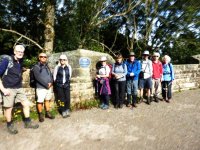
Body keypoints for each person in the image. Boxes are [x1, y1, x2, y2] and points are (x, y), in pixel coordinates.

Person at [0, 45, 39, 134]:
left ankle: (27, 122)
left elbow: (16, 71)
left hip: (19, 87)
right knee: (9, 108)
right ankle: (9, 125)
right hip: (9, 88)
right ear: (14, 52)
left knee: (25, 104)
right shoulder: (7, 60)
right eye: (18, 51)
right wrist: (3, 90)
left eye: (22, 52)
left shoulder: (20, 61)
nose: (20, 53)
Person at [32, 53, 55, 122]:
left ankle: (47, 113)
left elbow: (51, 75)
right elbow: (37, 78)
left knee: (47, 100)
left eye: (45, 57)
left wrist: (51, 83)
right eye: (41, 57)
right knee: (40, 101)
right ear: (39, 58)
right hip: (41, 87)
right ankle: (40, 114)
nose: (43, 58)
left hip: (48, 87)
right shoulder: (36, 67)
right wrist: (46, 85)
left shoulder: (47, 66)